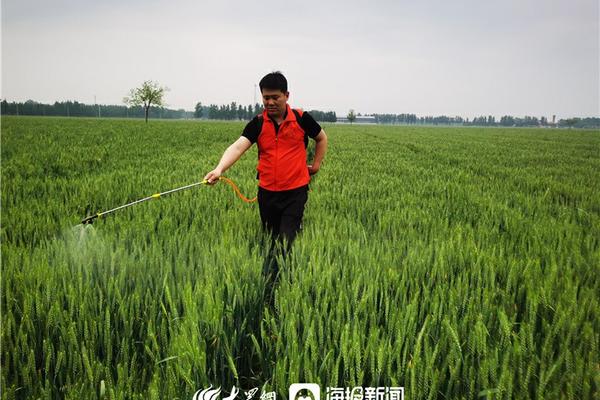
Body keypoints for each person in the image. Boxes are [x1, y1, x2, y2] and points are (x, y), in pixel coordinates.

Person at [203, 72, 328, 301]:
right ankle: (270, 283)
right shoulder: (258, 123)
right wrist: (219, 169)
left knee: (285, 239)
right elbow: (238, 147)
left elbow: (321, 138)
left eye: (275, 97)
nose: (270, 102)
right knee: (271, 238)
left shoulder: (301, 118)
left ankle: (283, 287)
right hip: (267, 193)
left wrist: (316, 165)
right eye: (265, 98)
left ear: (286, 96)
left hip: (295, 192)